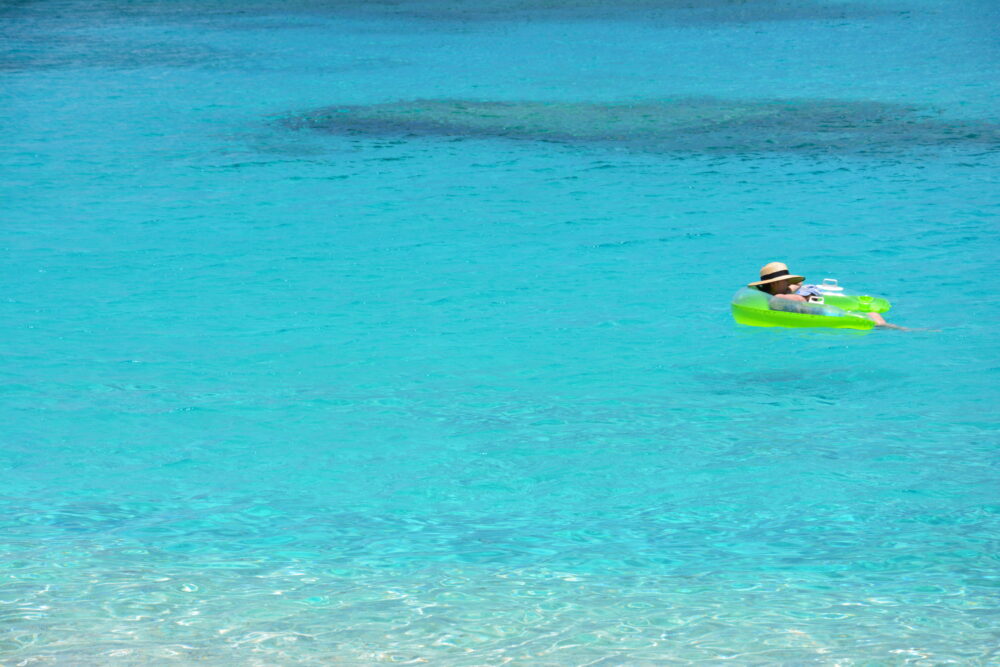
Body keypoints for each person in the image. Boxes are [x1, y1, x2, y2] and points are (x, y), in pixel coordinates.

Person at [748, 261, 899, 328]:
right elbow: (798, 298)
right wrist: (805, 295)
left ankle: (890, 328)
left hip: (822, 312)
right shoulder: (779, 298)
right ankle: (895, 329)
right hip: (826, 315)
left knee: (873, 314)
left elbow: (795, 287)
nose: (788, 284)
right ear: (774, 284)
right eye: (784, 281)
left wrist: (794, 286)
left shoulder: (781, 291)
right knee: (872, 317)